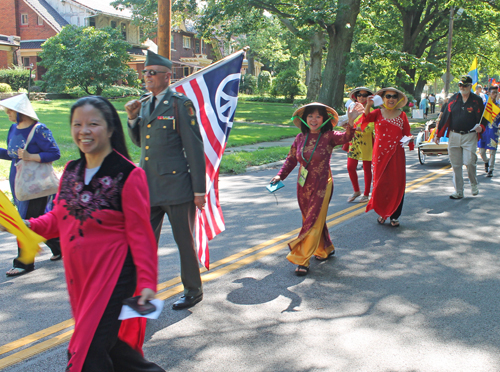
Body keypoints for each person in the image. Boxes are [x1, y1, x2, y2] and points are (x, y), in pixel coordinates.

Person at [0, 96, 165, 372]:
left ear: (110, 128)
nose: (83, 131)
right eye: (77, 124)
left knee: (86, 352)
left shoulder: (129, 174)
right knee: (116, 352)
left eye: (92, 124)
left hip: (114, 277)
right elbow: (59, 218)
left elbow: (141, 235)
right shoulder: (72, 171)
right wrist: (27, 226)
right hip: (81, 279)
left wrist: (148, 282)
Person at [125, 50, 206, 310]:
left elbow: (194, 148)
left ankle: (193, 290)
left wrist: (199, 191)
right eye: (145, 72)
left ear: (167, 76)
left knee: (184, 242)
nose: (146, 76)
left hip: (177, 186)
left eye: (152, 73)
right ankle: (143, 292)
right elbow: (140, 143)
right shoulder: (145, 104)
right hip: (149, 187)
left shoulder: (179, 104)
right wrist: (132, 118)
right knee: (144, 242)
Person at [270, 102, 363, 276]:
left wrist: (350, 122)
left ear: (324, 119)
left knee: (313, 219)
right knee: (310, 219)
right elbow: (291, 160)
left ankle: (302, 259)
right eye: (310, 116)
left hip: (322, 184)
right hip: (303, 185)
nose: (313, 119)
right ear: (304, 118)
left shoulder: (329, 136)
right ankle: (324, 248)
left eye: (318, 116)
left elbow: (346, 138)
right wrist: (279, 176)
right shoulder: (299, 138)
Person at [0, 93, 62, 276]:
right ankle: (59, 247)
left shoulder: (39, 129)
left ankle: (24, 262)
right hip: (20, 184)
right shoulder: (14, 128)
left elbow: (55, 153)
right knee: (35, 220)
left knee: (24, 222)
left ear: (20, 112)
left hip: (36, 186)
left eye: (10, 111)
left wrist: (31, 157)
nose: (7, 115)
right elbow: (12, 155)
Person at [363, 88, 414, 227]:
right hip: (379, 154)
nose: (391, 99)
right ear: (383, 98)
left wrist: (409, 139)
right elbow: (365, 119)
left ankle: (394, 216)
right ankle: (382, 212)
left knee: (397, 184)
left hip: (396, 154)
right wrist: (368, 105)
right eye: (388, 96)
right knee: (381, 183)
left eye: (394, 97)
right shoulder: (377, 112)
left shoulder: (402, 115)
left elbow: (407, 133)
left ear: (398, 100)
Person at [435, 75, 487, 199]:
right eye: (460, 85)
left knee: (469, 162)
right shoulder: (453, 99)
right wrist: (438, 134)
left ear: (470, 86)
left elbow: (484, 117)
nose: (462, 87)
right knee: (456, 165)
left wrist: (482, 127)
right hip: (454, 135)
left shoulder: (477, 100)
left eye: (465, 85)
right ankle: (459, 191)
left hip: (469, 135)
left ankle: (473, 184)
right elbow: (445, 117)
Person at [345, 87, 375, 203]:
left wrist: (355, 127)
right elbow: (347, 123)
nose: (361, 97)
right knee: (350, 167)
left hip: (367, 142)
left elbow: (370, 127)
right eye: (359, 95)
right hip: (354, 142)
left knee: (367, 169)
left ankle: (366, 193)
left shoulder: (371, 111)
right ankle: (356, 191)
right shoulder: (352, 109)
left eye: (364, 95)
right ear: (356, 97)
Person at [478, 85, 499, 177]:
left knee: (492, 151)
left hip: (494, 131)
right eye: (493, 92)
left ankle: (491, 169)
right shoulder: (484, 106)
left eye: (496, 93)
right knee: (482, 152)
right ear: (489, 93)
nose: (494, 94)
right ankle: (486, 161)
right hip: (484, 131)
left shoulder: (498, 106)